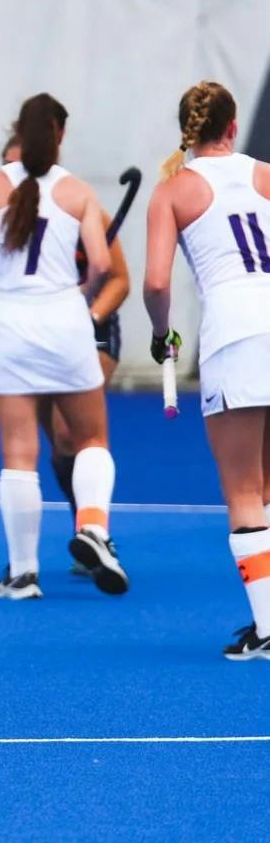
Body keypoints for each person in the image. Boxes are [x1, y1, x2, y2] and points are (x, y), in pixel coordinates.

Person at [0, 93, 128, 601]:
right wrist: (78, 299)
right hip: (65, 321)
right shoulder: (78, 192)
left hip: (11, 324)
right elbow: (101, 266)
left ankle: (23, 573)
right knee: (91, 440)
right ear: (59, 136)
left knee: (18, 455)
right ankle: (93, 526)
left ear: (19, 136)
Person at [144, 80, 270, 660]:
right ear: (232, 125)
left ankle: (268, 629)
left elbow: (156, 283)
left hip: (236, 337)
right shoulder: (265, 175)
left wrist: (159, 330)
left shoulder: (174, 191)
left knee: (245, 490)